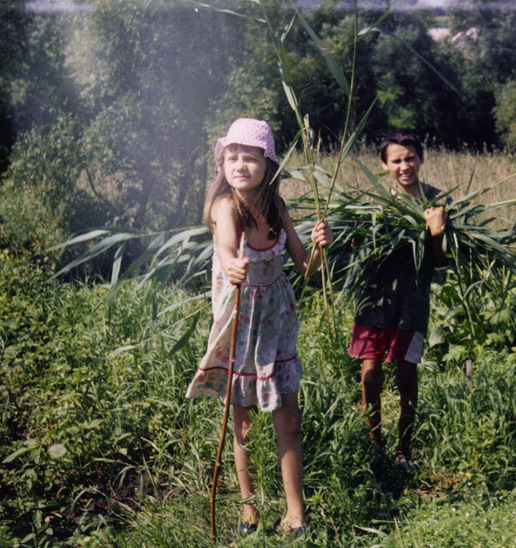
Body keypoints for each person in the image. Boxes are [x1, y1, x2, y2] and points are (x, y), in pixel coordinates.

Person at [185, 118, 332, 539]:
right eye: (232, 156)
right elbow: (227, 248)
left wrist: (321, 247)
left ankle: (296, 515)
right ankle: (249, 514)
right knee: (243, 422)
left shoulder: (278, 209)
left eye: (250, 157)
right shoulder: (225, 207)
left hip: (278, 323)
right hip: (241, 323)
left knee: (288, 418)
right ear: (222, 163)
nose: (240, 165)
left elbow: (306, 269)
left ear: (268, 165)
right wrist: (231, 265)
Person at [347, 129, 447, 470]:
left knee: (407, 374)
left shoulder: (435, 202)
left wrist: (437, 233)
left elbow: (442, 261)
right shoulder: (374, 201)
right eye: (396, 160)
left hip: (412, 302)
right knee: (371, 373)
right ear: (384, 164)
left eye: (410, 158)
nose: (405, 166)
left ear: (421, 159)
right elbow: (356, 248)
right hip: (374, 300)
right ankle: (375, 446)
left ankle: (404, 450)